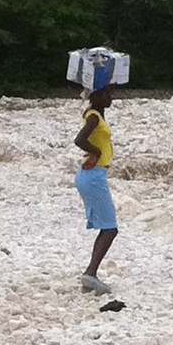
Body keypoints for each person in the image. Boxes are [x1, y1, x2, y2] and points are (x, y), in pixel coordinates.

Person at [73, 85, 118, 295]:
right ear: (97, 95)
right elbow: (79, 140)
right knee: (110, 228)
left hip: (92, 175)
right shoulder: (93, 117)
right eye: (107, 93)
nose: (111, 97)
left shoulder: (95, 114)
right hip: (94, 176)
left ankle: (91, 274)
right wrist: (97, 151)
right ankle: (90, 273)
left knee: (107, 227)